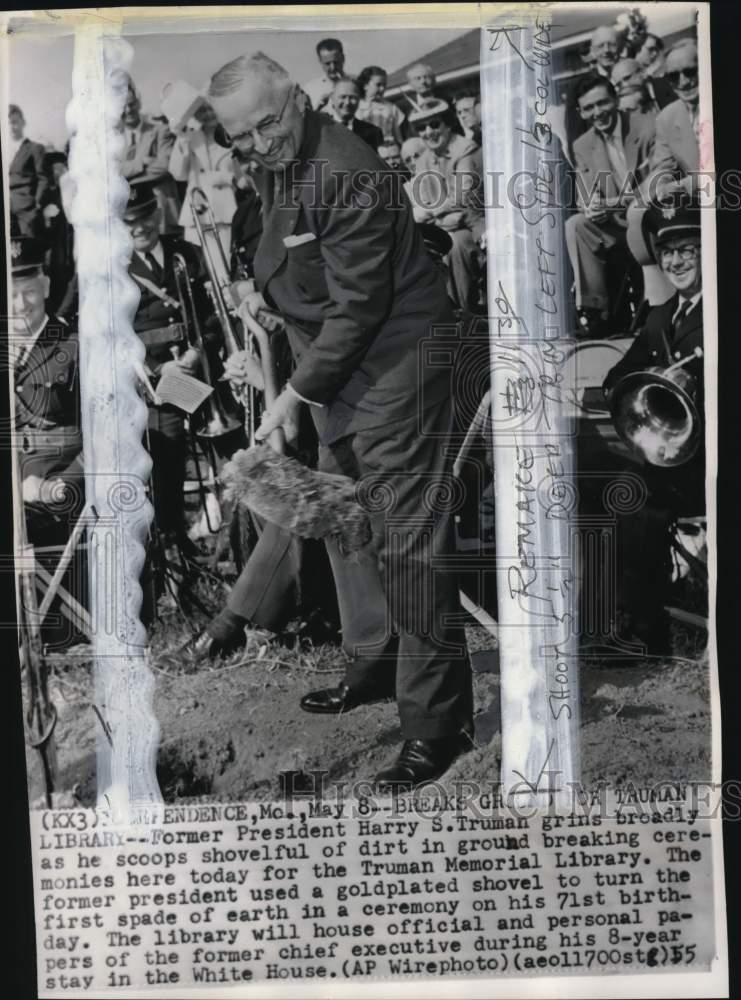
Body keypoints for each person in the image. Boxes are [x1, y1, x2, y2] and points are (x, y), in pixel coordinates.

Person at [208, 51, 473, 789]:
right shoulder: (272, 160)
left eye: (269, 124)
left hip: (397, 367)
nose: (261, 143)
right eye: (242, 136)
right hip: (335, 370)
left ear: (298, 99)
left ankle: (435, 727)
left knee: (406, 542)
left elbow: (358, 307)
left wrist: (292, 397)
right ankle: (376, 662)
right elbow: (289, 269)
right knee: (342, 523)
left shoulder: (346, 167)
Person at [601, 202, 704, 655]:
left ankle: (645, 630)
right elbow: (613, 380)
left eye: (687, 250)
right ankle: (633, 615)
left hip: (709, 460)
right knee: (618, 488)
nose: (675, 262)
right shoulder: (661, 315)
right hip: (675, 456)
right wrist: (649, 382)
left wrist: (697, 385)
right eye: (667, 253)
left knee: (638, 500)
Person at [123, 179, 206, 547]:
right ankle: (171, 533)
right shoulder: (116, 269)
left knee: (233, 439)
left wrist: (198, 350)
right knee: (168, 446)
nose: (139, 227)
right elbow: (110, 335)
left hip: (196, 366)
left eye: (144, 217)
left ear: (157, 214)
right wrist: (160, 369)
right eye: (130, 221)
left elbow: (211, 315)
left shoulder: (184, 252)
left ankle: (227, 520)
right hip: (152, 380)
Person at [564, 75, 655, 334]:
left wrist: (612, 203)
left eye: (602, 103)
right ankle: (596, 311)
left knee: (637, 212)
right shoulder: (582, 145)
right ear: (580, 112)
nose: (597, 113)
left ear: (615, 100)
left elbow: (655, 185)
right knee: (576, 225)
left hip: (650, 215)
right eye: (589, 108)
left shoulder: (645, 128)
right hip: (616, 225)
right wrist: (590, 206)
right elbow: (586, 192)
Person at [411, 99, 484, 312]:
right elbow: (421, 201)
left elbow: (463, 198)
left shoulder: (465, 150)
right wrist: (441, 216)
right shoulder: (423, 159)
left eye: (434, 125)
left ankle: (462, 313)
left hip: (475, 224)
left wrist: (433, 212)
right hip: (444, 226)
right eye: (422, 128)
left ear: (448, 125)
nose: (428, 132)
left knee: (456, 246)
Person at [168, 100, 239, 258]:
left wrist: (223, 178)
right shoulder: (189, 137)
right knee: (206, 269)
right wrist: (182, 138)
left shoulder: (233, 134)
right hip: (200, 212)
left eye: (211, 109)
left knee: (229, 263)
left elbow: (240, 173)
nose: (208, 114)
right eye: (202, 111)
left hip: (227, 209)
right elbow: (178, 174)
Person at [120, 78, 181, 233]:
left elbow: (165, 165)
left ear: (138, 102)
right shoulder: (112, 142)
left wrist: (126, 179)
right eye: (122, 107)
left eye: (131, 104)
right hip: (131, 219)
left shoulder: (161, 130)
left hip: (162, 212)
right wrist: (140, 163)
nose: (128, 110)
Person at [646, 40, 700, 203]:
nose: (683, 82)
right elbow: (662, 166)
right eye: (673, 76)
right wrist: (661, 184)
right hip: (695, 202)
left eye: (690, 72)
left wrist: (683, 185)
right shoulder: (667, 117)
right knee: (636, 213)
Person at [39, 151, 75, 315]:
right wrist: (47, 218)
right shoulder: (49, 194)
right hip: (59, 244)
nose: (60, 173)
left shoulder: (74, 188)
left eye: (63, 168)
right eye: (56, 170)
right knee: (59, 276)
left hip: (73, 238)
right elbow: (47, 222)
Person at [7, 104, 47, 237]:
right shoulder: (5, 151)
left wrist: (36, 203)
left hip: (26, 211)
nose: (11, 127)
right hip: (6, 210)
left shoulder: (35, 148)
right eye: (7, 123)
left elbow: (43, 178)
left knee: (28, 252)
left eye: (14, 122)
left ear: (23, 122)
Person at [325, 77, 383, 151]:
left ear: (359, 100)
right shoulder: (322, 131)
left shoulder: (374, 133)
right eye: (343, 97)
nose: (347, 102)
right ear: (332, 99)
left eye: (352, 97)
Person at [356, 65, 405, 145]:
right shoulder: (356, 107)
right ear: (365, 85)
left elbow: (398, 136)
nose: (382, 89)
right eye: (378, 85)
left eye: (384, 85)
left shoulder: (390, 108)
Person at [303, 38, 347, 112]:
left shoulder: (359, 84)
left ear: (343, 58)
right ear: (320, 61)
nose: (332, 68)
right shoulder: (309, 89)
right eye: (327, 63)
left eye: (336, 62)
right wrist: (318, 108)